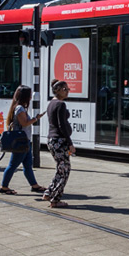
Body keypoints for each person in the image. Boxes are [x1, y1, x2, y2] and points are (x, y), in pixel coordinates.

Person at [0, 85, 42, 195]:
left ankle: (34, 185)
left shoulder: (19, 107)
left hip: (25, 140)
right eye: (29, 95)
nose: (31, 98)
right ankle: (4, 187)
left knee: (28, 165)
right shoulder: (19, 108)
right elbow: (24, 123)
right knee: (13, 165)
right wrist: (36, 118)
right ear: (25, 96)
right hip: (21, 142)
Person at [42, 79, 74, 208]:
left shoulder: (51, 103)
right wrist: (70, 143)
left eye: (68, 89)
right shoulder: (60, 104)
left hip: (52, 140)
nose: (67, 91)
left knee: (60, 168)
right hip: (59, 140)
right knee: (65, 170)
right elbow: (62, 126)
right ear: (57, 90)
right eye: (65, 89)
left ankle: (48, 192)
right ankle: (55, 199)